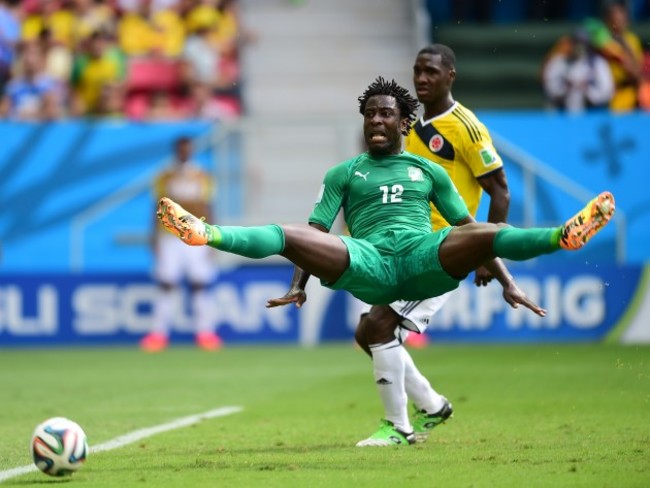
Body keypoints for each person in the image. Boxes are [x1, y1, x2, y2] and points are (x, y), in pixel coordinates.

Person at [156, 78, 615, 445]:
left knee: (480, 238)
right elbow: (314, 236)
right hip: (369, 259)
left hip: (421, 257)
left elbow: (471, 232)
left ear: (403, 122)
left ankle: (562, 236)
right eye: (370, 114)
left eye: (386, 114)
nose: (376, 120)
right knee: (287, 234)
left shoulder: (429, 170)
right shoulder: (343, 173)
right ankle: (206, 233)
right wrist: (300, 284)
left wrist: (505, 279)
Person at [350, 42, 513, 446]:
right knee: (367, 331)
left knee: (380, 325)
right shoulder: (414, 123)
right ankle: (432, 404)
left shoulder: (467, 128)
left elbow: (501, 191)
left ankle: (398, 428)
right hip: (406, 242)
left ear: (450, 76)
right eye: (417, 70)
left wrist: (484, 252)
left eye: (431, 72)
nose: (422, 79)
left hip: (442, 247)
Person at [141, 137, 223, 352]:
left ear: (193, 151)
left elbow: (208, 206)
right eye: (181, 148)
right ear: (176, 150)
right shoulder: (164, 176)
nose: (185, 152)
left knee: (199, 283)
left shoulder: (203, 176)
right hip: (170, 236)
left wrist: (214, 238)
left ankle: (205, 333)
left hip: (197, 235)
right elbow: (157, 208)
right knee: (166, 283)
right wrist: (154, 237)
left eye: (188, 148)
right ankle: (158, 334)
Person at [543, 29, 614, 112]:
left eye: (583, 44)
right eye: (576, 43)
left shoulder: (597, 63)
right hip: (563, 112)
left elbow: (606, 91)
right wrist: (565, 88)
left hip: (591, 112)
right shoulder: (558, 62)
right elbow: (549, 88)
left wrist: (587, 90)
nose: (579, 47)